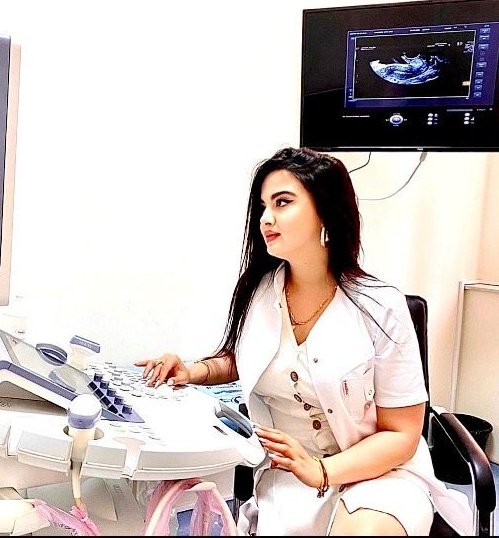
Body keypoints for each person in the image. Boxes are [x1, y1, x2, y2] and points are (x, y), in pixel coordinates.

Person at [135, 147, 468, 536]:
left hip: (380, 476)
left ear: (325, 210)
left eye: (282, 202)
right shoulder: (259, 291)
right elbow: (245, 358)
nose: (266, 218)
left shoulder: (381, 306)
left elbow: (402, 435)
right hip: (288, 480)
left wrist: (322, 470)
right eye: (263, 206)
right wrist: (192, 371)